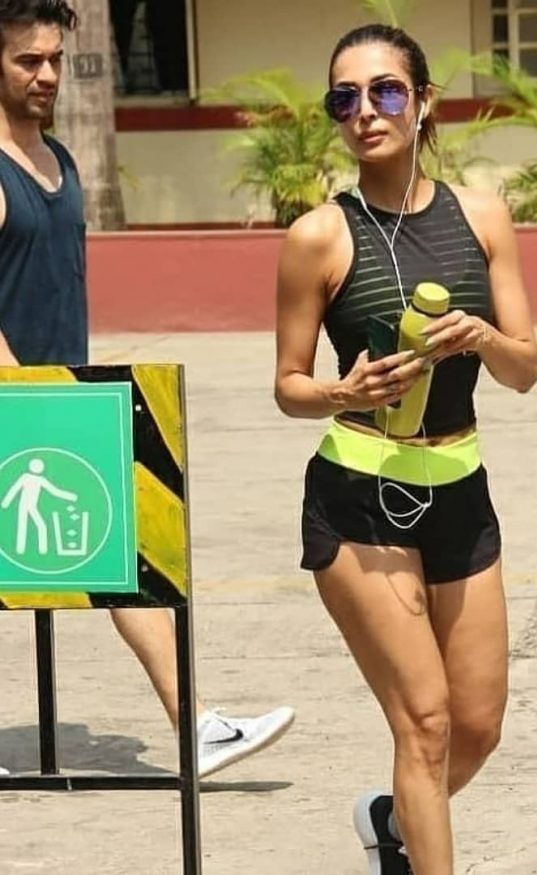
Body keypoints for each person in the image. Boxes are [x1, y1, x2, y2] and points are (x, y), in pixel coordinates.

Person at [0, 0, 293, 779]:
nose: (47, 74)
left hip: (61, 403)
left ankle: (196, 726)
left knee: (123, 561)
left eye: (54, 58)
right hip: (23, 410)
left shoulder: (56, 157)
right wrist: (26, 399)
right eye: (28, 60)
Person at [274, 23, 537, 875]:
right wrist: (341, 393)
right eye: (344, 98)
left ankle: (391, 820)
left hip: (460, 486)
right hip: (358, 493)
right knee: (422, 719)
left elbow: (526, 369)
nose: (365, 112)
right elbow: (287, 382)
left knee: (477, 724)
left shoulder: (482, 215)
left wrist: (481, 336)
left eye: (385, 91)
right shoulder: (318, 235)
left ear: (423, 103)